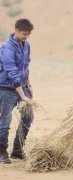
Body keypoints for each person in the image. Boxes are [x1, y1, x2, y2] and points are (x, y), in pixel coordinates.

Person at [0, 18, 34, 164]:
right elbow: (12, 73)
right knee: (5, 121)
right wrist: (22, 96)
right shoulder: (7, 48)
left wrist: (29, 85)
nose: (26, 37)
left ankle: (17, 151)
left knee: (28, 117)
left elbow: (25, 67)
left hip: (22, 87)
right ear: (16, 30)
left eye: (28, 34)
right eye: (24, 34)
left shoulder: (26, 45)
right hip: (6, 89)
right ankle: (2, 153)